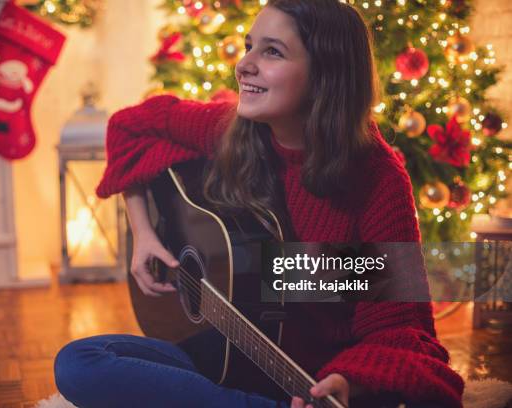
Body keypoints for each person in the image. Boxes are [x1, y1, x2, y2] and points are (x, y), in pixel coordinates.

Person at [54, 0, 464, 407]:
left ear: (326, 73)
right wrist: (143, 233)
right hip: (225, 353)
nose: (244, 65)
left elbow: (401, 330)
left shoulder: (377, 179)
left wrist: (347, 380)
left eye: (271, 51)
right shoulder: (237, 131)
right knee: (79, 362)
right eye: (249, 45)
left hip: (310, 379)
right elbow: (130, 125)